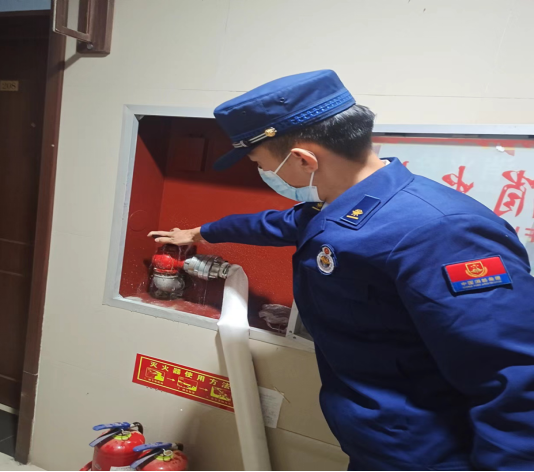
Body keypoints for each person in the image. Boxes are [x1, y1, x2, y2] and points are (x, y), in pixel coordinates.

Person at [149, 70, 534, 471]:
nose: (265, 174)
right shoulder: (347, 203)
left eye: (261, 164)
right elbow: (278, 223)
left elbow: (516, 377)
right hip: (377, 444)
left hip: (429, 456)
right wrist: (201, 232)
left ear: (303, 160)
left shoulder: (442, 232)